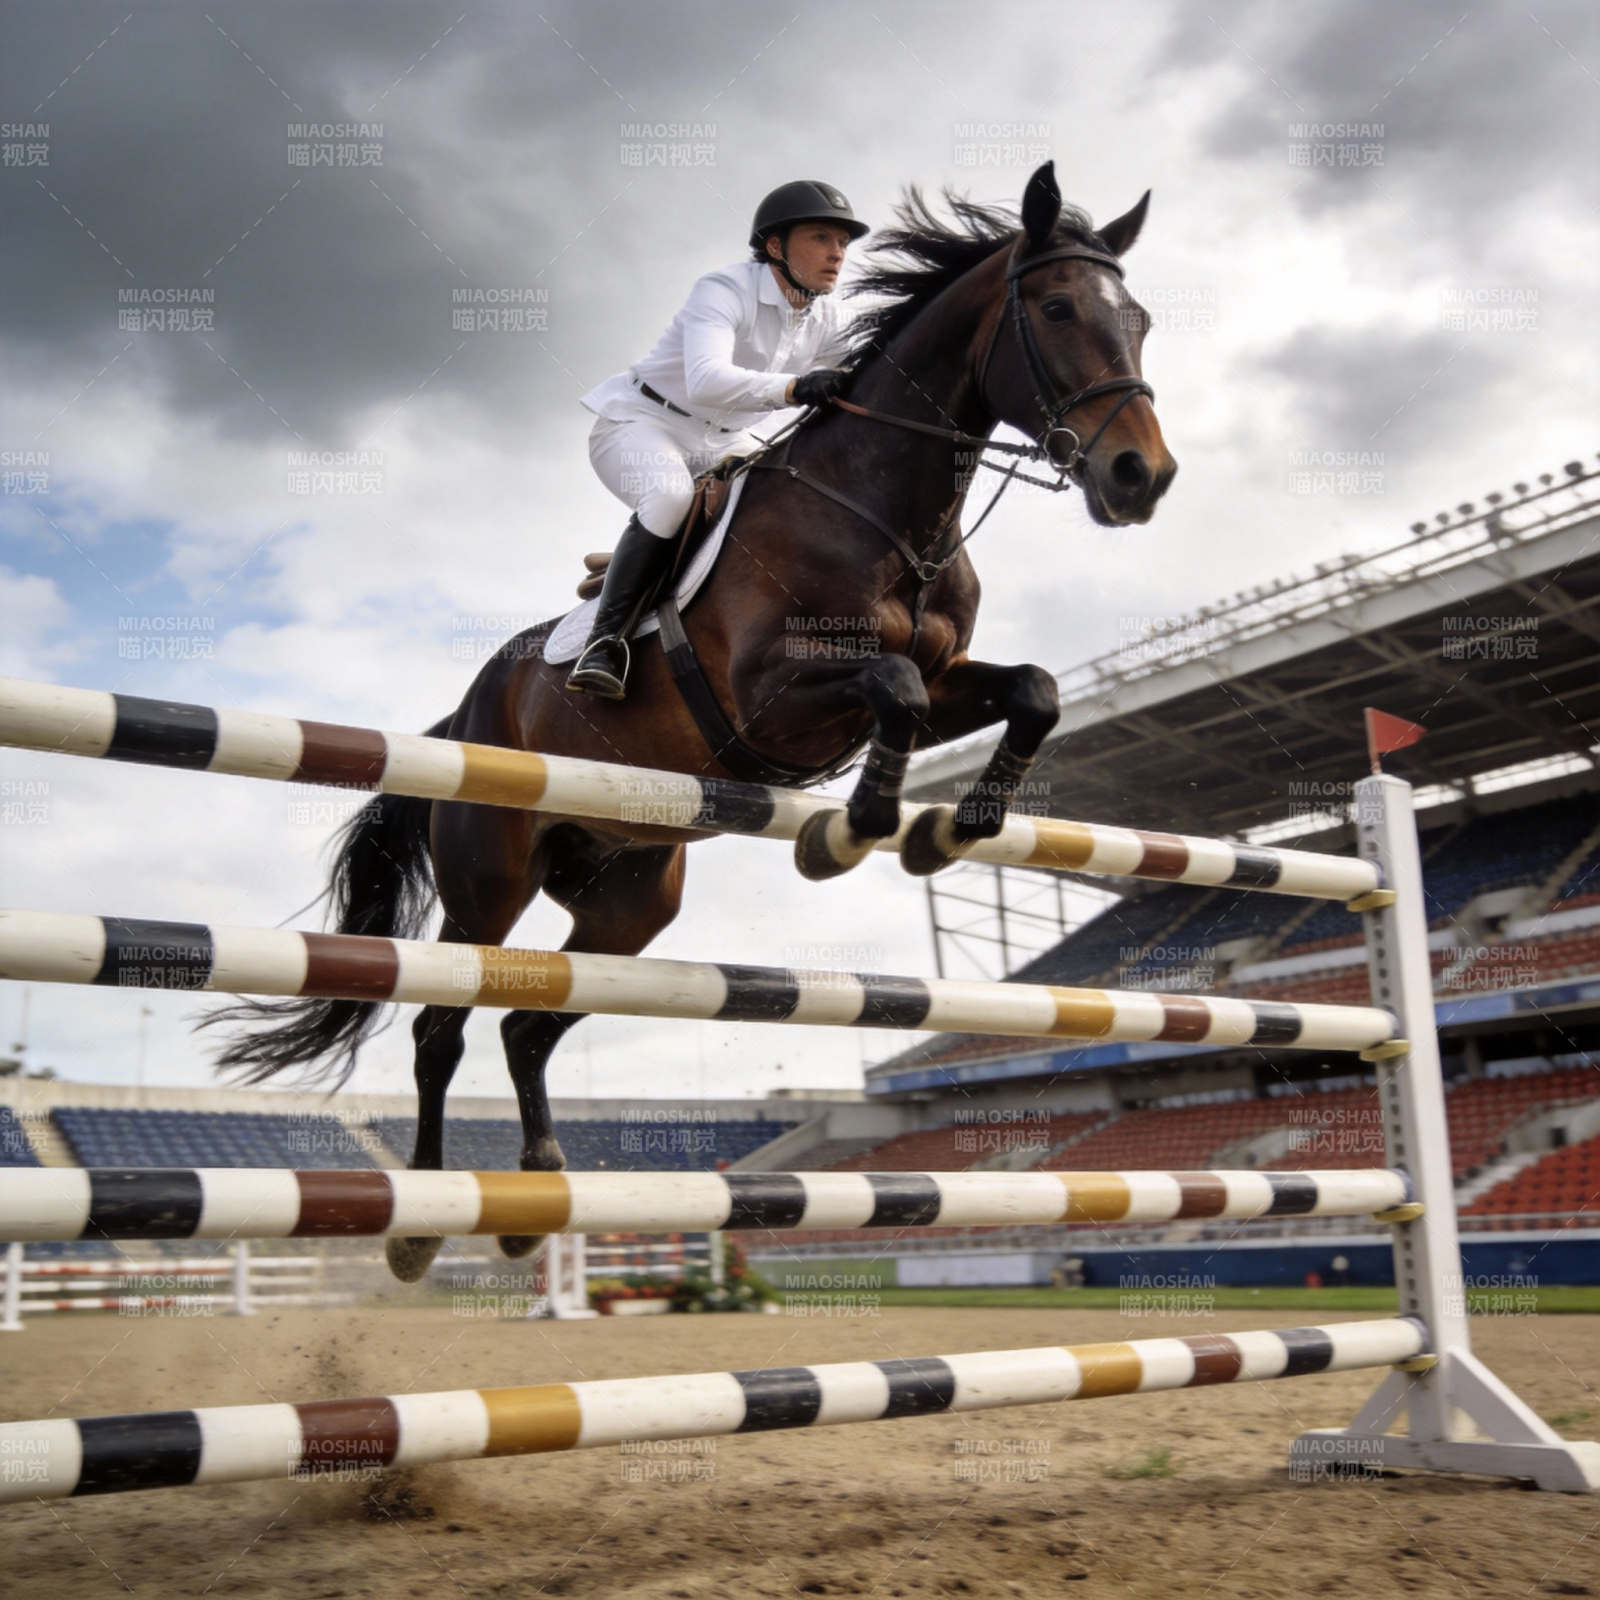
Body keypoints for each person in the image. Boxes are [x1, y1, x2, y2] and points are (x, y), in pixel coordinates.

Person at [568, 180, 869, 698]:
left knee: (795, 496)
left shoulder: (827, 315)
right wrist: (796, 387)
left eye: (843, 242)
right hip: (643, 421)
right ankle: (606, 642)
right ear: (775, 246)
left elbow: (870, 371)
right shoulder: (723, 288)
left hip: (725, 439)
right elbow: (707, 378)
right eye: (821, 237)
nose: (837, 254)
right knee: (669, 497)